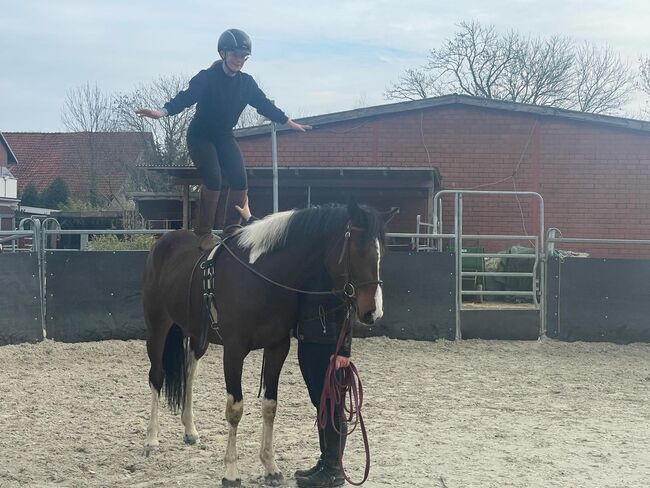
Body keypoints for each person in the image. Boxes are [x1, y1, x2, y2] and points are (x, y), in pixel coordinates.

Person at [136, 28, 311, 250]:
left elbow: (264, 104)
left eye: (243, 57)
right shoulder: (207, 77)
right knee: (214, 179)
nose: (239, 60)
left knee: (239, 180)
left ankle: (231, 229)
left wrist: (287, 121)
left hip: (223, 136)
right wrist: (162, 112)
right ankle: (203, 233)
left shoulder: (246, 84)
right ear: (223, 53)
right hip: (200, 136)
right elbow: (186, 97)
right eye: (235, 55)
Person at [235, 199, 350, 488]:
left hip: (328, 345)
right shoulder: (310, 261)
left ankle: (334, 470)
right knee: (320, 402)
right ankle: (326, 463)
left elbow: (348, 308)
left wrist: (344, 351)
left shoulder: (337, 268)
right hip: (309, 340)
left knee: (333, 403)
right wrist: (251, 219)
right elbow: (276, 237)